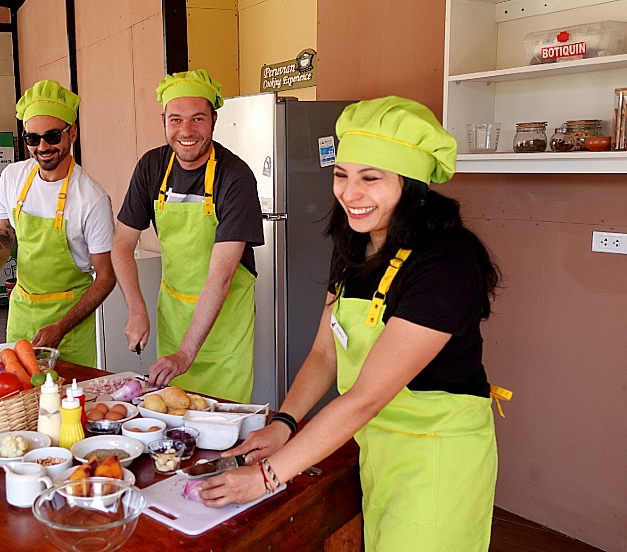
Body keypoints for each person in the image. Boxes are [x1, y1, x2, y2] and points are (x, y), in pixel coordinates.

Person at [199, 96, 509, 551]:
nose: (349, 193)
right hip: (375, 444)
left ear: (412, 183)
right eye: (341, 175)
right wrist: (284, 422)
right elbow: (326, 353)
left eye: (371, 178)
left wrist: (269, 476)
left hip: (436, 457)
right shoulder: (356, 245)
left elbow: (365, 396)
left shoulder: (445, 264)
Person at [111, 69, 263, 403]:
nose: (186, 131)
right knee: (174, 421)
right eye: (176, 119)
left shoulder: (235, 177)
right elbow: (122, 244)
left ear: (214, 119)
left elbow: (220, 278)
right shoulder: (152, 167)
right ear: (164, 120)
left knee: (220, 424)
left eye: (197, 119)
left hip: (225, 331)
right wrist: (136, 309)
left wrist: (187, 353)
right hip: (175, 319)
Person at [0, 80, 115, 368]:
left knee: (66, 407)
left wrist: (61, 327)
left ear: (71, 132)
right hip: (22, 314)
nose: (43, 147)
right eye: (33, 139)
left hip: (69, 325)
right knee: (16, 397)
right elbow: (2, 232)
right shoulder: (13, 178)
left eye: (52, 136)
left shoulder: (91, 198)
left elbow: (106, 277)